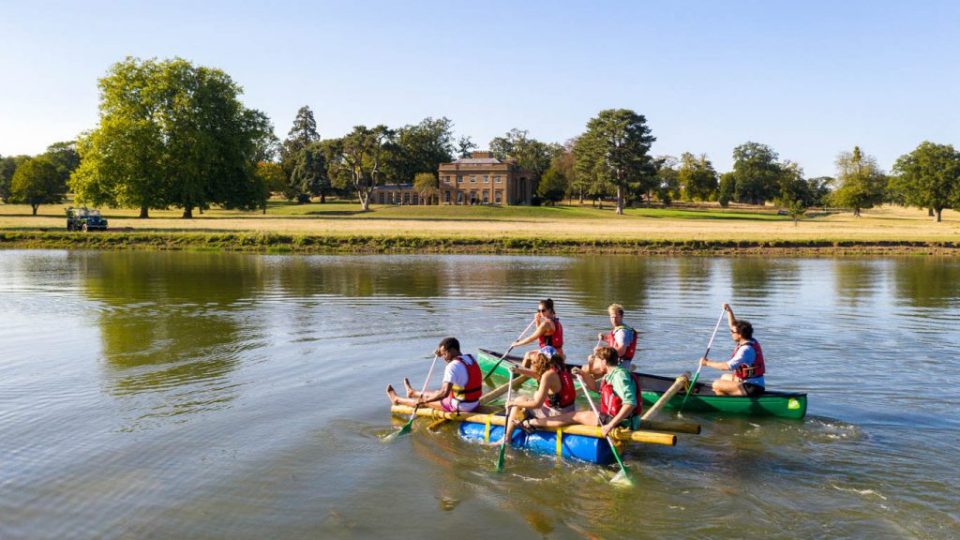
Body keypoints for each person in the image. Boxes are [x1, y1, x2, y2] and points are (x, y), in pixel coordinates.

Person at [532, 347, 642, 438]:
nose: (594, 364)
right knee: (591, 407)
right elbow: (595, 387)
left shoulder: (619, 376)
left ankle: (533, 423)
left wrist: (610, 425)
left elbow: (630, 403)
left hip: (621, 423)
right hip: (616, 418)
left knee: (574, 416)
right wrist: (583, 374)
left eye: (597, 361)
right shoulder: (611, 375)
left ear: (604, 362)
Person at [490, 349, 578, 445]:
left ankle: (507, 438)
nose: (535, 362)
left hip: (558, 414)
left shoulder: (548, 375)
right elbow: (539, 376)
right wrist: (519, 370)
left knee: (519, 400)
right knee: (528, 399)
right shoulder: (561, 369)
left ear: (543, 360)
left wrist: (513, 403)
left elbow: (537, 404)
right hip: (570, 410)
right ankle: (522, 420)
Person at [386, 337, 483, 413]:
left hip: (460, 407)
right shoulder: (470, 359)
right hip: (475, 403)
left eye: (444, 354)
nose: (443, 358)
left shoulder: (452, 366)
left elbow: (444, 393)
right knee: (436, 393)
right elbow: (456, 368)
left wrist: (425, 401)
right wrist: (442, 352)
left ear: (452, 350)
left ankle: (396, 399)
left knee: (425, 400)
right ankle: (412, 393)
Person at [697, 304, 766, 396]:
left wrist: (707, 363)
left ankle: (725, 405)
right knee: (724, 377)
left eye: (732, 332)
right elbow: (733, 325)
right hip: (753, 382)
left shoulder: (745, 350)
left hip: (753, 387)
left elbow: (728, 366)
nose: (731, 333)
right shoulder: (750, 340)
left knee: (716, 384)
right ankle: (726, 397)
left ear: (740, 335)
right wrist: (729, 311)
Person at [588, 303, 638, 373]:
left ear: (621, 317)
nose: (614, 320)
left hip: (619, 364)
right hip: (618, 361)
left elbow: (621, 351)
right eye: (612, 317)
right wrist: (605, 338)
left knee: (589, 363)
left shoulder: (622, 332)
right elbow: (615, 343)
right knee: (594, 361)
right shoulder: (620, 329)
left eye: (616, 317)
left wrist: (600, 352)